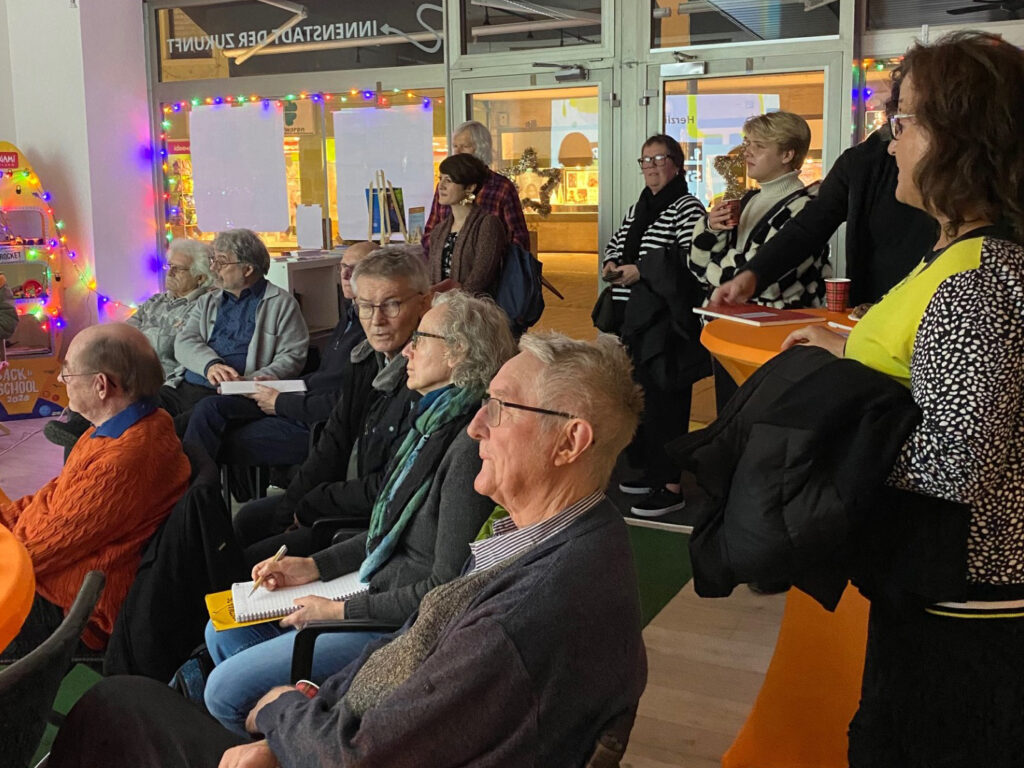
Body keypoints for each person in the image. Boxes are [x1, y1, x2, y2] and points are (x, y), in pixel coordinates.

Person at [47, 331, 648, 768]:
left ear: (570, 442)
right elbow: (411, 650)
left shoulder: (522, 616)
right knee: (150, 689)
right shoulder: (577, 536)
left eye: (502, 407)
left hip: (328, 743)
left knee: (116, 707)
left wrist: (283, 713)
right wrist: (313, 696)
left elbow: (356, 754)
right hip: (335, 718)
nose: (476, 426)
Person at [781, 32, 1024, 767]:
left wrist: (828, 424)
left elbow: (957, 463)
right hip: (941, 591)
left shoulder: (974, 282)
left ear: (960, 139)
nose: (890, 143)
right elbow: (929, 374)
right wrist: (844, 356)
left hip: (964, 607)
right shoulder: (958, 253)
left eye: (904, 121)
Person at [202, 290, 517, 735]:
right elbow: (383, 534)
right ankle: (293, 727)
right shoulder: (430, 423)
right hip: (373, 587)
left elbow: (445, 591)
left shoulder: (467, 448)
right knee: (222, 630)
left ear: (458, 353)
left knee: (222, 691)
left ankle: (291, 728)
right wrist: (312, 566)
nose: (407, 350)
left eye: (421, 339)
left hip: (399, 626)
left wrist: (337, 612)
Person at [0, 323, 190, 658]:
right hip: (61, 580)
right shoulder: (131, 425)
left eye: (68, 372)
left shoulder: (122, 461)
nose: (61, 380)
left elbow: (33, 553)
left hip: (77, 609)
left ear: (101, 385)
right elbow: (51, 497)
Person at [233, 245, 431, 563]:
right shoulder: (366, 360)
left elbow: (391, 487)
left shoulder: (424, 376)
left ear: (424, 303)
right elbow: (333, 442)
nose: (377, 320)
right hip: (343, 495)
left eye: (392, 304)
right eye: (366, 306)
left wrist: (312, 505)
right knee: (249, 520)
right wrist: (289, 512)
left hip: (377, 522)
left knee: (250, 561)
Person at [711, 94, 936, 309]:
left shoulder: (800, 200)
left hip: (921, 310)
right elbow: (808, 227)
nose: (892, 146)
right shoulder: (860, 160)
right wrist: (751, 275)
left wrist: (743, 273)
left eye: (759, 145)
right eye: (896, 121)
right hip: (871, 312)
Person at [182, 241, 374, 467]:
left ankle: (186, 485)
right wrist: (275, 384)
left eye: (355, 269)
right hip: (274, 395)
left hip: (312, 421)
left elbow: (341, 399)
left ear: (247, 269)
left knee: (209, 429)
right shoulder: (349, 317)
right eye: (342, 267)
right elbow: (323, 379)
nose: (345, 275)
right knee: (191, 418)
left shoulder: (370, 331)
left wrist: (279, 400)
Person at [689, 111, 831, 410]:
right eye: (747, 143)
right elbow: (697, 266)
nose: (747, 152)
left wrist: (722, 265)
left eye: (759, 145)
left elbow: (758, 278)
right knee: (730, 419)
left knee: (760, 422)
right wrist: (710, 227)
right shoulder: (747, 200)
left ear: (787, 154)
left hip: (775, 342)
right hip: (733, 331)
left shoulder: (808, 210)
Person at [601, 133, 706, 518]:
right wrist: (611, 265)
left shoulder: (688, 207)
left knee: (667, 405)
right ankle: (650, 471)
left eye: (659, 159)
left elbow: (691, 261)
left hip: (666, 326)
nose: (651, 167)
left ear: (677, 165)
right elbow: (617, 243)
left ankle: (670, 485)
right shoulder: (640, 206)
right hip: (636, 322)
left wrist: (640, 270)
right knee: (644, 402)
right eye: (645, 160)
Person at [43, 237, 215, 450]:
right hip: (131, 372)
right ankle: (78, 431)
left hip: (163, 379)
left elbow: (179, 348)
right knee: (93, 376)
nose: (169, 273)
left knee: (105, 396)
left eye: (178, 269)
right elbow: (122, 335)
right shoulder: (156, 301)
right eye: (169, 266)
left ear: (200, 277)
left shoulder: (203, 307)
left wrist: (138, 343)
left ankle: (81, 434)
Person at [158, 228, 308, 435]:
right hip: (188, 385)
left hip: (237, 394)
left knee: (172, 428)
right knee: (142, 406)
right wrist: (211, 365)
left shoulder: (281, 303)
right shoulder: (207, 301)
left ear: (247, 269)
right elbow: (184, 341)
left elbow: (292, 357)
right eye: (213, 260)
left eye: (221, 262)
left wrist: (251, 382)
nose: (213, 268)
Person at [422, 120, 530, 252]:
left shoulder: (501, 187)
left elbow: (519, 238)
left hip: (492, 261)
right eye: (455, 146)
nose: (457, 152)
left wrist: (494, 258)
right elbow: (429, 233)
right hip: (448, 262)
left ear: (482, 149)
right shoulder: (446, 186)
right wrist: (446, 254)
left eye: (464, 146)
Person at [427, 153, 507, 298]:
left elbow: (480, 279)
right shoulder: (439, 230)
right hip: (440, 306)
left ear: (470, 187)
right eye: (440, 179)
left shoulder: (488, 225)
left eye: (449, 180)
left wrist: (452, 304)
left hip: (475, 307)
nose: (441, 186)